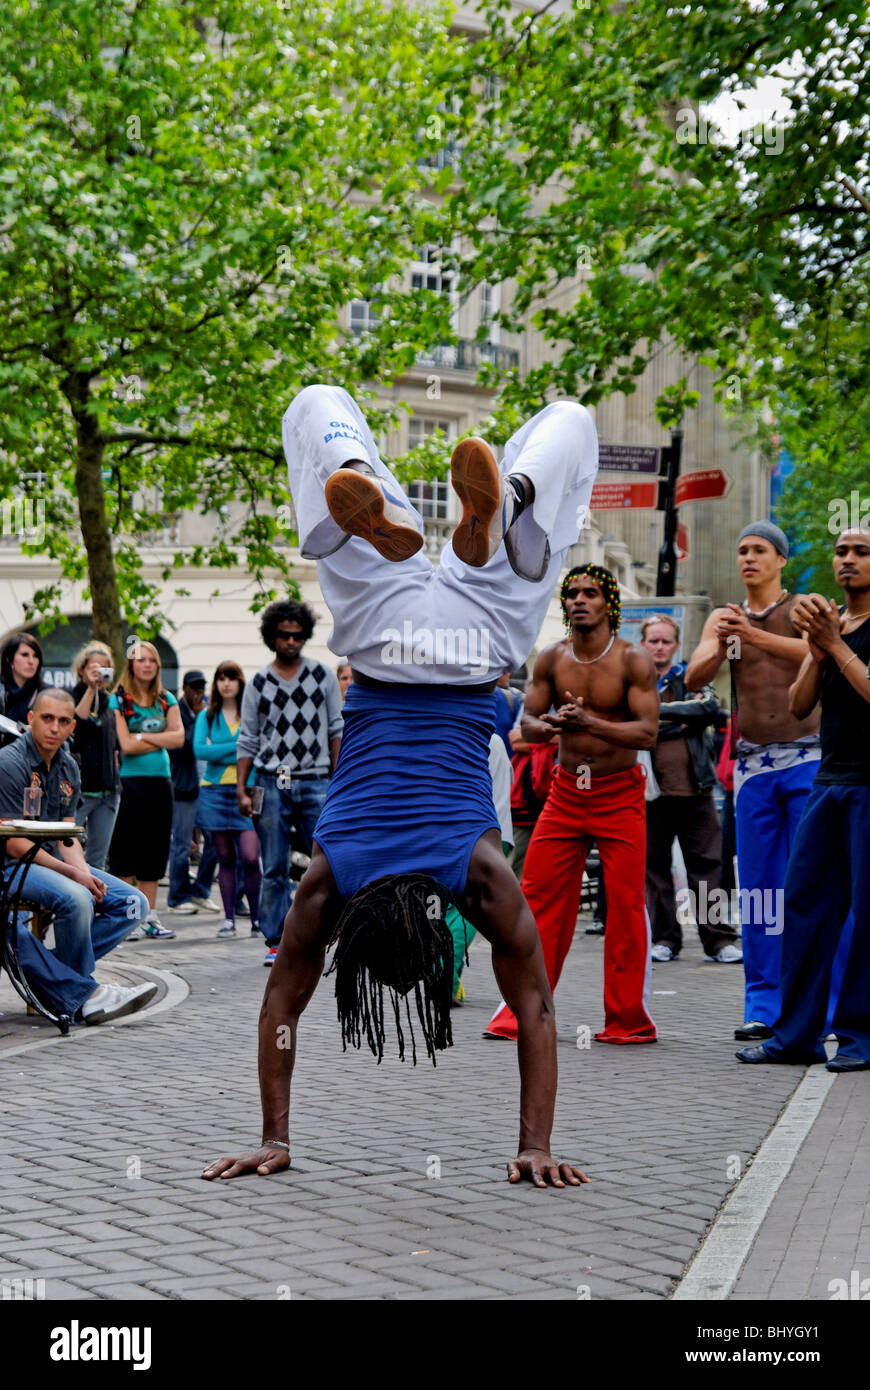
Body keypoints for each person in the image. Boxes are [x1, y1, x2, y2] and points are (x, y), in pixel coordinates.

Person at [201, 382, 597, 1188]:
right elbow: (278, 1012)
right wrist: (270, 1134)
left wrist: (536, 1143)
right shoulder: (331, 874)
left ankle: (513, 500)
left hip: (475, 635)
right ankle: (385, 485)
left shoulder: (478, 876)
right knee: (312, 402)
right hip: (382, 633)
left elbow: (536, 1011)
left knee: (574, 424)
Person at [483, 564, 659, 1045]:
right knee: (537, 899)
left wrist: (590, 724)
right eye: (572, 594)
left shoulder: (633, 660)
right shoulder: (551, 658)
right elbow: (528, 728)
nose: (579, 600)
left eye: (590, 593)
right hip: (565, 794)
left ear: (609, 604)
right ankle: (521, 1012)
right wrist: (555, 724)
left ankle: (628, 1020)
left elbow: (647, 732)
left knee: (624, 905)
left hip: (619, 793)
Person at [736, 527, 870, 1071]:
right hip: (829, 783)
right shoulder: (836, 627)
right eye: (841, 551)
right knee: (805, 907)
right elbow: (798, 706)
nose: (848, 561)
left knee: (865, 914)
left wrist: (834, 645)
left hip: (867, 786)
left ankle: (859, 1034)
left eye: (862, 552)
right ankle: (796, 1036)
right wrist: (818, 648)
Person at [686, 521, 821, 1043]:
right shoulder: (725, 617)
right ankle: (762, 1006)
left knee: (810, 886)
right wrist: (723, 645)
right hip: (752, 767)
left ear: (780, 559)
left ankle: (822, 1007)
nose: (748, 558)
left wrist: (756, 636)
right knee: (760, 892)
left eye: (759, 550)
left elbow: (821, 653)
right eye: (742, 550)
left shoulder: (802, 608)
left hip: (809, 760)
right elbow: (695, 677)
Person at [0, 688, 157, 1025]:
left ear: (73, 726)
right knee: (78, 899)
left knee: (135, 904)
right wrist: (75, 878)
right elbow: (15, 845)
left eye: (63, 721)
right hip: (13, 865)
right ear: (30, 720)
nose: (55, 727)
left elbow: (66, 835)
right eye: (47, 718)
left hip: (47, 861)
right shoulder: (9, 763)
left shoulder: (69, 766)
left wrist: (85, 873)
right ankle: (88, 993)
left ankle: (61, 979)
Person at [236, 601, 343, 967]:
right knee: (274, 866)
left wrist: (338, 779)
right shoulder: (259, 683)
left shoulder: (323, 676)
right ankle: (276, 940)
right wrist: (241, 787)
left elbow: (336, 730)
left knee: (327, 861)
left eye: (298, 635)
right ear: (272, 636)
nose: (292, 641)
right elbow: (247, 738)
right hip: (269, 780)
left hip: (315, 779)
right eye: (284, 635)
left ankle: (325, 931)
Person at [639, 614, 740, 964]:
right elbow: (630, 723)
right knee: (654, 868)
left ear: (676, 645)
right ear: (643, 644)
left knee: (707, 867)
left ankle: (717, 941)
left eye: (666, 641)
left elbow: (708, 709)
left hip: (696, 789)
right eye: (653, 640)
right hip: (649, 792)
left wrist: (655, 715)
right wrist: (676, 721)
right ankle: (665, 939)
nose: (660, 646)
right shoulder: (633, 679)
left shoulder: (692, 674)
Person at [107, 641, 184, 938]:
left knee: (154, 849)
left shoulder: (166, 699)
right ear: (131, 665)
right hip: (130, 782)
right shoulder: (119, 699)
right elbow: (125, 745)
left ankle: (149, 917)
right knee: (127, 850)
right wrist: (160, 736)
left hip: (160, 782)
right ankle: (129, 917)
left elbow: (179, 740)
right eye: (141, 660)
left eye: (152, 660)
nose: (147, 664)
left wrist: (142, 735)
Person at [193, 661, 262, 939]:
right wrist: (239, 748)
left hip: (249, 789)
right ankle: (230, 919)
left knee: (250, 855)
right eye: (221, 678)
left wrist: (219, 750)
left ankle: (258, 919)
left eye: (231, 678)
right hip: (214, 791)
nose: (226, 683)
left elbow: (258, 747)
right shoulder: (207, 716)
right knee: (225, 857)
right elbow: (199, 750)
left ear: (240, 682)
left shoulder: (253, 713)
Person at [447, 732, 514, 1004]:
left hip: (466, 835)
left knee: (455, 910)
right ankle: (446, 974)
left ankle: (448, 976)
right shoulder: (491, 740)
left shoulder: (466, 738)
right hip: (491, 835)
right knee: (467, 911)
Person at [167, 670, 221, 916]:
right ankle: (178, 896)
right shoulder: (177, 711)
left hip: (207, 787)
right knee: (181, 844)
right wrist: (200, 719)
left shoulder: (207, 712)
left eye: (201, 688)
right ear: (185, 687)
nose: (198, 692)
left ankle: (200, 891)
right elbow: (181, 747)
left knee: (216, 841)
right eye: (194, 687)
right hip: (183, 786)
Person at [69, 641, 121, 871]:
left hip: (108, 791)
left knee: (97, 861)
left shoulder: (111, 701)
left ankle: (93, 905)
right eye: (94, 667)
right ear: (81, 670)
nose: (99, 671)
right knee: (67, 857)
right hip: (79, 793)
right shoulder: (70, 697)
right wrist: (91, 688)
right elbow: (76, 726)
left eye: (105, 667)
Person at [0, 632, 45, 730]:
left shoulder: (46, 693)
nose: (31, 661)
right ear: (9, 659)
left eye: (35, 656)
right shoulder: (1, 692)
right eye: (25, 655)